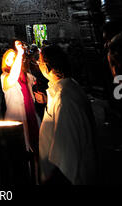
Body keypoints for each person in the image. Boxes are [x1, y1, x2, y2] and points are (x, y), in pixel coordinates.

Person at [37, 44, 98, 185]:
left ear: (47, 67)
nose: (38, 65)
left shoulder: (65, 100)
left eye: (39, 62)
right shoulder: (63, 90)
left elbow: (67, 158)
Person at [1, 40, 40, 154]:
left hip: (31, 114)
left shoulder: (26, 75)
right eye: (9, 58)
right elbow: (13, 77)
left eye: (14, 57)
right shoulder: (5, 77)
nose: (12, 60)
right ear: (5, 63)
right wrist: (19, 53)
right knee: (21, 151)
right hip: (17, 117)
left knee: (36, 148)